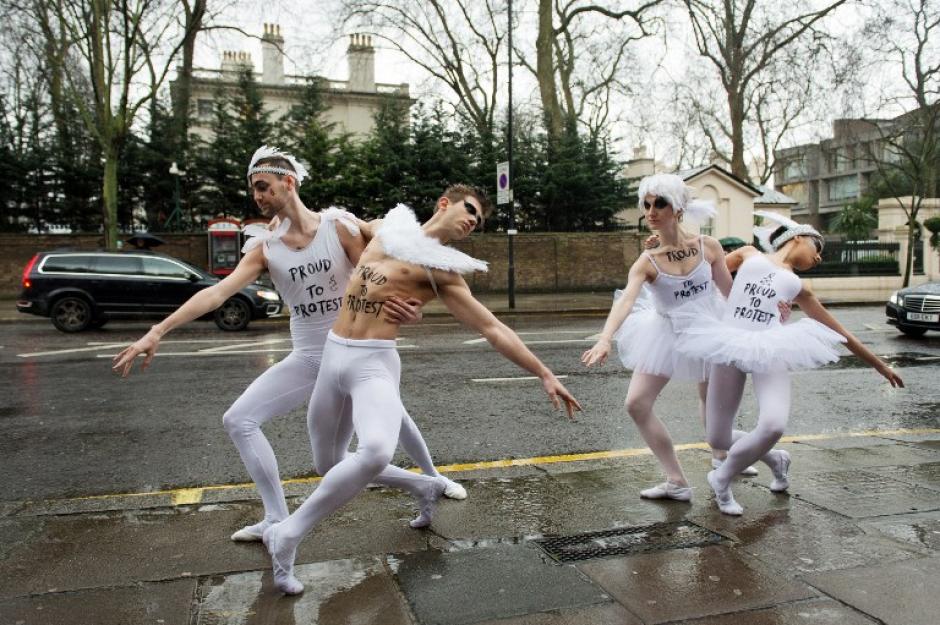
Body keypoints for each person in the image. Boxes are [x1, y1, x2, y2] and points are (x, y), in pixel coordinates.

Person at [111, 146, 466, 545]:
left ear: (289, 182)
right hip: (308, 357)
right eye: (254, 191)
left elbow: (384, 270)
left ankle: (432, 478)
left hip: (355, 351)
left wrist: (412, 308)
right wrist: (158, 330)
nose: (258, 197)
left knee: (390, 423)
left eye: (263, 187)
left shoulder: (339, 228)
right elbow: (218, 293)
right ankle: (276, 517)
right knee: (241, 421)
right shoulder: (265, 246)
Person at [262, 186, 581, 595]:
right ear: (444, 204)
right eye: (470, 209)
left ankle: (287, 536)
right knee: (328, 465)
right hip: (332, 355)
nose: (473, 220)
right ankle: (424, 485)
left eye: (479, 220)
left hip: (372, 364)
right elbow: (330, 220)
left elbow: (492, 328)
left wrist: (544, 373)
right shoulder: (387, 227)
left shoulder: (441, 272)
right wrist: (284, 218)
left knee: (375, 451)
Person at [678, 211, 904, 515]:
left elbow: (840, 333)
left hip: (771, 349)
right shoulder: (748, 254)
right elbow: (702, 278)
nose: (820, 258)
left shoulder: (799, 287)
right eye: (818, 248)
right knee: (716, 437)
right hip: (728, 344)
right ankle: (776, 460)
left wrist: (879, 365)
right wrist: (665, 249)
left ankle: (722, 478)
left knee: (773, 425)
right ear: (798, 237)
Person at [581, 174, 733, 502]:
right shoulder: (647, 261)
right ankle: (676, 480)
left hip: (711, 330)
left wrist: (763, 314)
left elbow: (730, 294)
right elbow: (625, 300)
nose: (651, 211)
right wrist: (605, 338)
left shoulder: (709, 247)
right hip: (667, 333)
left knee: (712, 407)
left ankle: (726, 459)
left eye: (660, 203)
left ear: (677, 208)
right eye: (647, 205)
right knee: (636, 403)